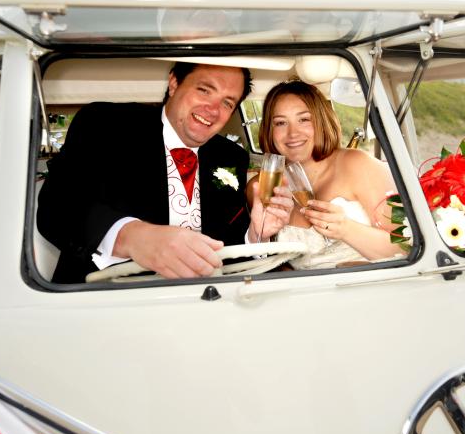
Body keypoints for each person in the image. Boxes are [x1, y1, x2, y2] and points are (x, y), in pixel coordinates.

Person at [37, 62, 293, 283]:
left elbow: (227, 246)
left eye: (227, 103)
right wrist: (133, 237)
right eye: (204, 90)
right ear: (174, 83)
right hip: (105, 297)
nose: (213, 110)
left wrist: (256, 233)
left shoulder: (230, 156)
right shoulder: (105, 123)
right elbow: (57, 207)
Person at [248, 79, 403, 270]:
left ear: (321, 121)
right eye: (280, 123)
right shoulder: (264, 185)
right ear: (269, 131)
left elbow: (407, 248)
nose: (292, 133)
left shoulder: (357, 164)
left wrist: (347, 230)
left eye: (304, 119)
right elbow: (270, 260)